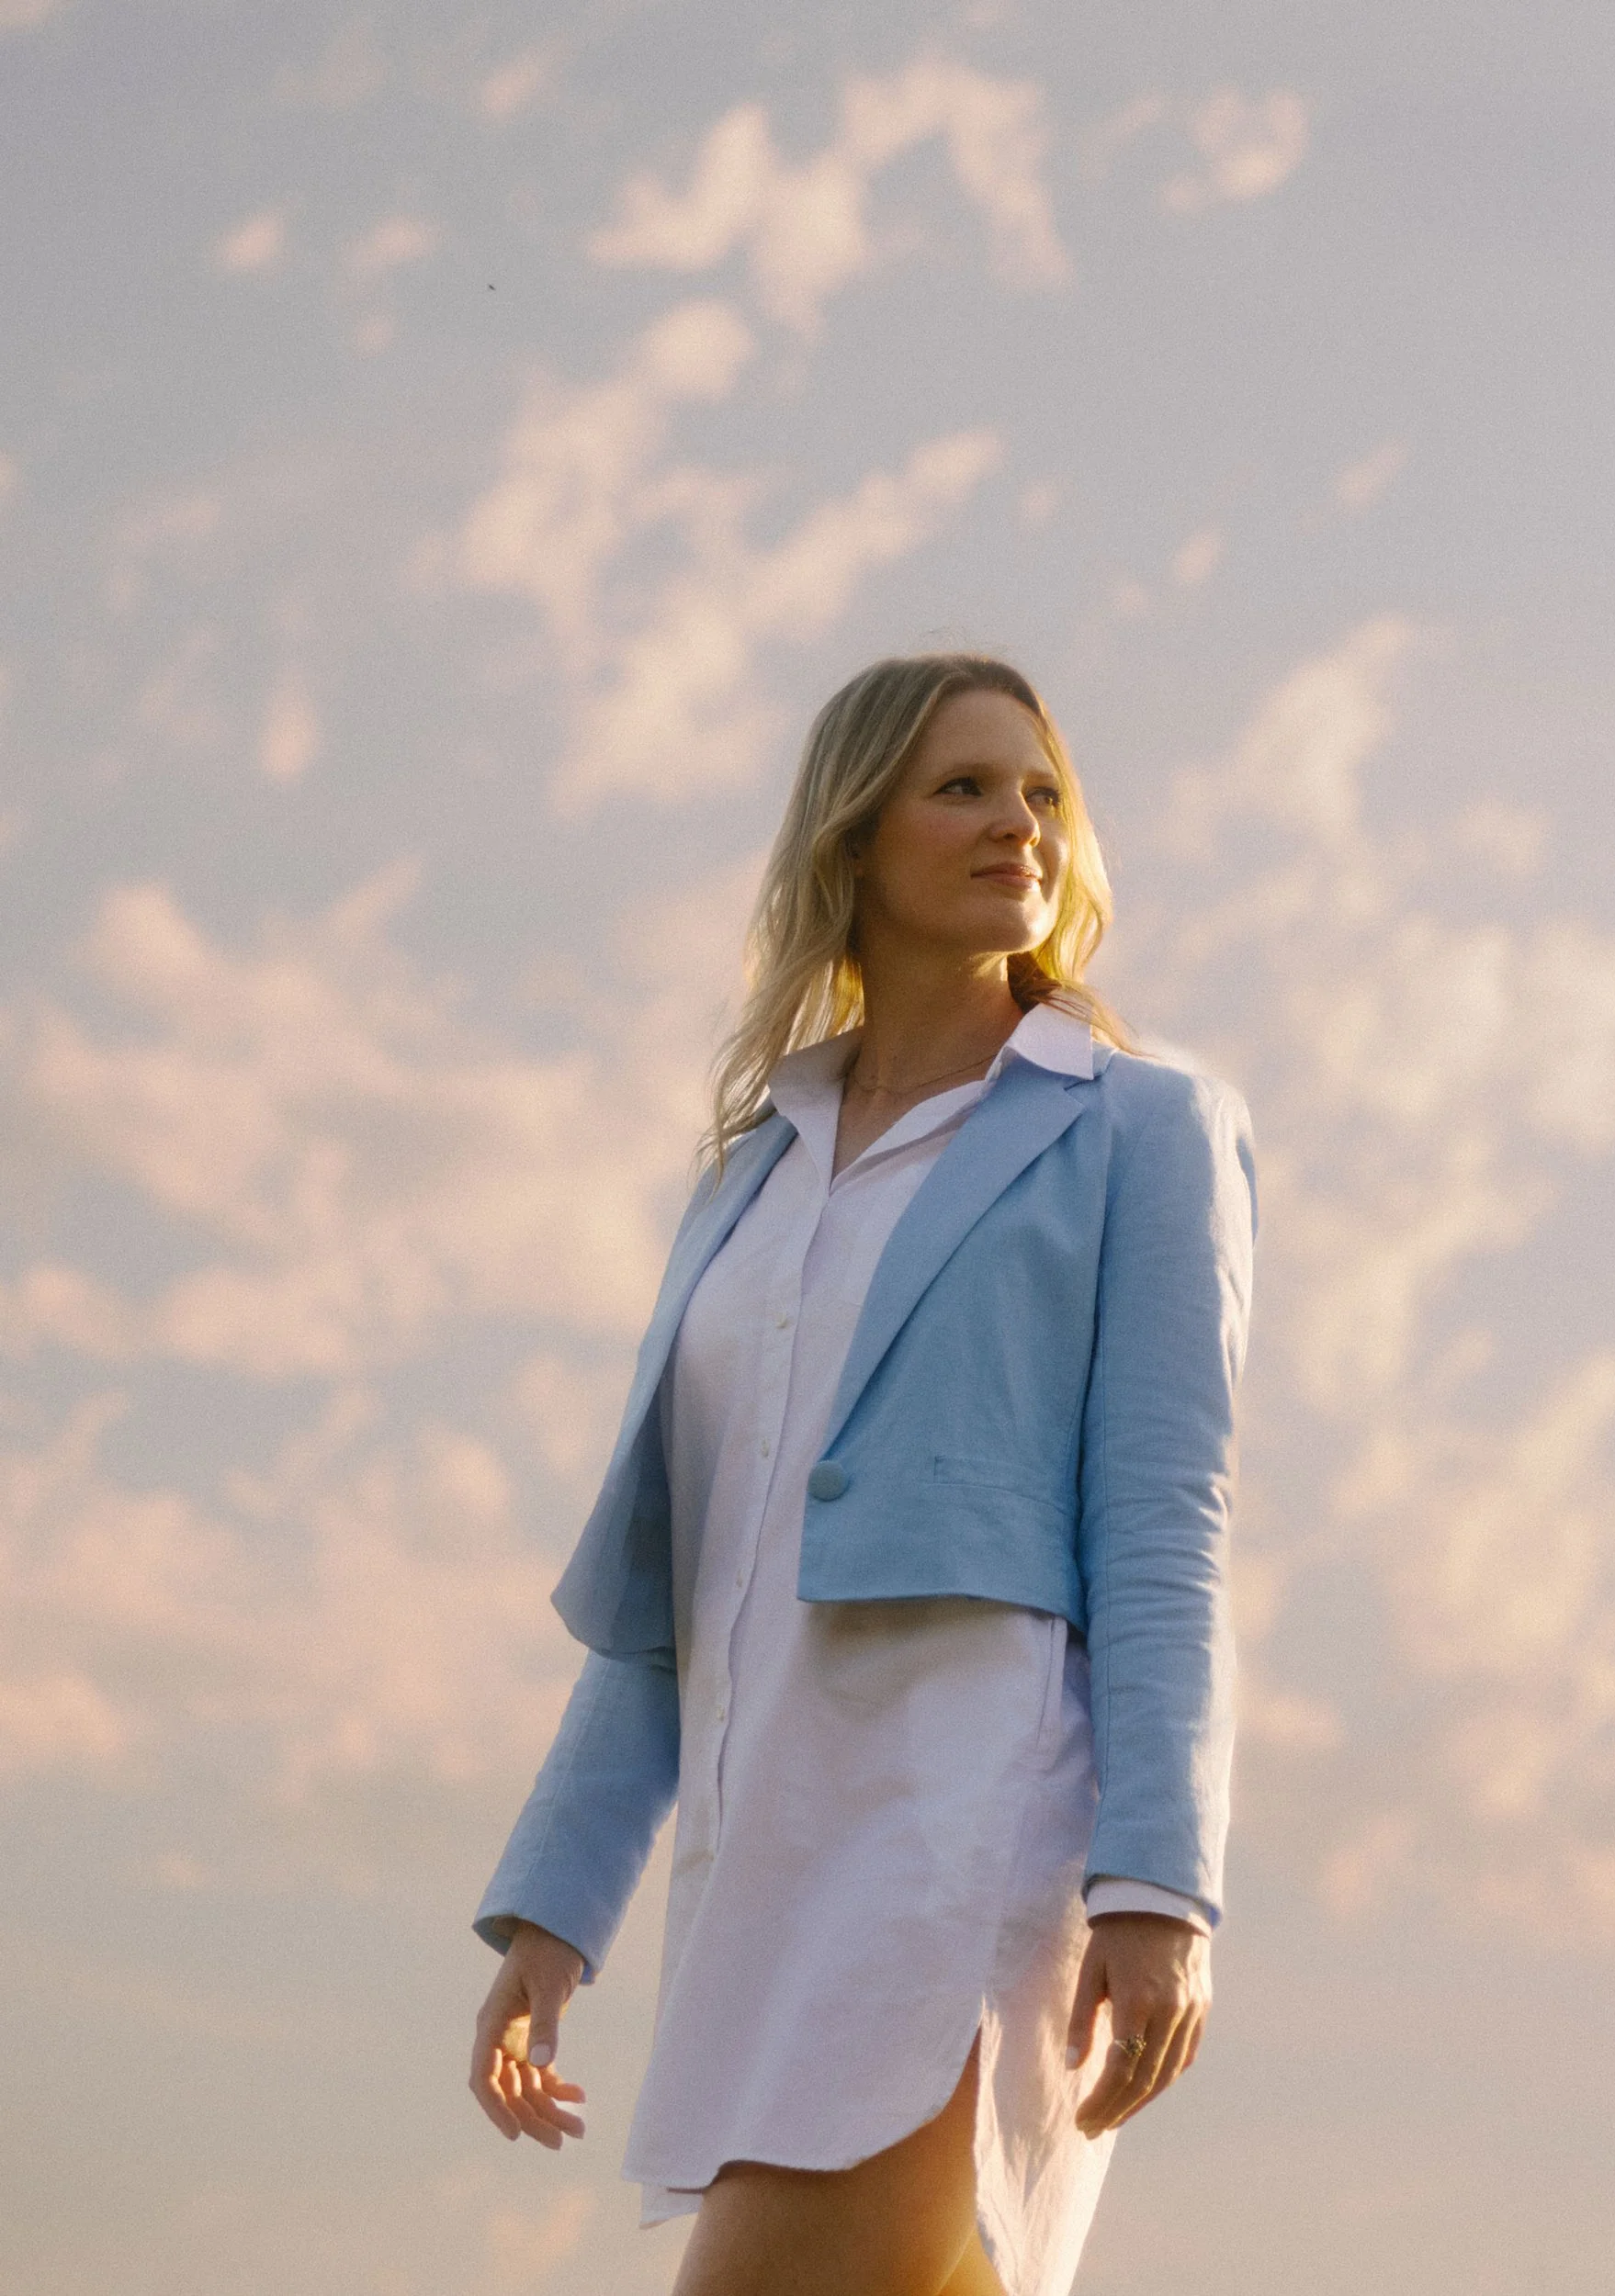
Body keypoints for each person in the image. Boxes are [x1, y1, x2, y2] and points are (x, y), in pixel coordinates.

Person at [464, 652, 1256, 2296]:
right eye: (962, 787)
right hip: (763, 1884)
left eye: (1041, 793)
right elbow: (672, 1589)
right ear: (853, 837)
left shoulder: (1137, 1131)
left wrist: (1161, 1883)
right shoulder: (750, 1179)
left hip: (964, 1857)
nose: (1015, 825)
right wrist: (553, 1912)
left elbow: (1167, 1523)